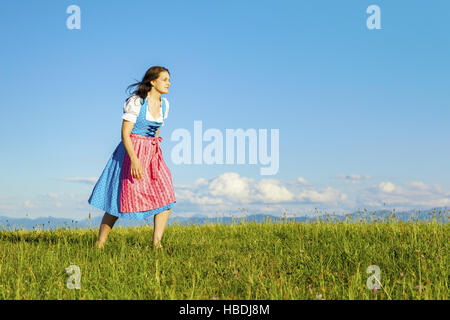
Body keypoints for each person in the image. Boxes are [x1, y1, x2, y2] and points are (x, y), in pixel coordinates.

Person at [88, 66, 176, 249]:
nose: (169, 83)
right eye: (165, 79)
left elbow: (156, 131)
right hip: (131, 152)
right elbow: (125, 134)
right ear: (153, 81)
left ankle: (156, 243)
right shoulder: (137, 102)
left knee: (166, 196)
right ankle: (100, 243)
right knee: (118, 199)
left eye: (169, 79)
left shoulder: (164, 105)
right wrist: (135, 159)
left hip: (153, 154)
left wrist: (153, 151)